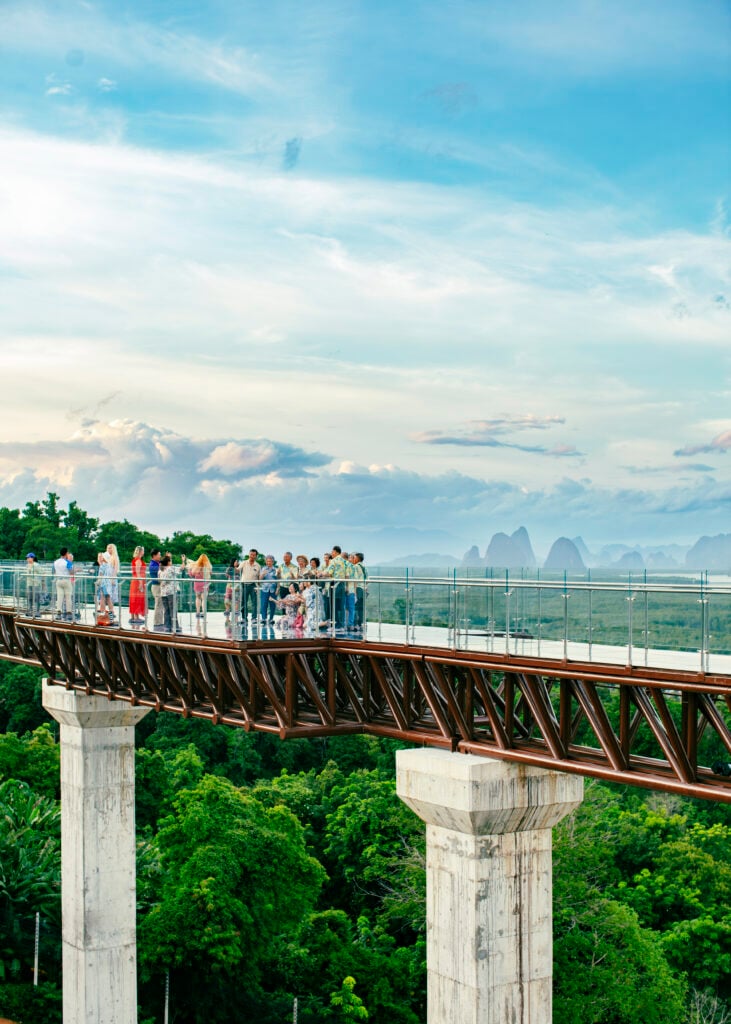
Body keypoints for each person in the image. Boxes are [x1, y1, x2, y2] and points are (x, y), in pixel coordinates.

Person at [323, 545, 351, 631]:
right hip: (342, 584)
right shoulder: (345, 562)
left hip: (334, 584)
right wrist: (347, 586)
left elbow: (329, 573)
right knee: (341, 605)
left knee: (334, 605)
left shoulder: (333, 561)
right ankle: (341, 625)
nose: (332, 553)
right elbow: (347, 575)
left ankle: (336, 625)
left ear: (336, 552)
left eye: (332, 552)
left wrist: (321, 574)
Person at [158, 554, 181, 633]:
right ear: (168, 562)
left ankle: (167, 626)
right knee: (173, 609)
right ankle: (175, 626)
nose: (171, 562)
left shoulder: (160, 570)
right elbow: (181, 569)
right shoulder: (171, 568)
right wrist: (183, 561)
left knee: (166, 610)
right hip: (171, 592)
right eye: (170, 560)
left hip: (163, 592)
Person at [186, 553, 212, 618]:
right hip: (205, 584)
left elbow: (191, 574)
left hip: (197, 583)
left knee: (197, 598)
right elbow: (210, 574)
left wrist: (189, 570)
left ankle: (197, 612)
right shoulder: (208, 566)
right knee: (204, 599)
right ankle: (203, 612)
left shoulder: (196, 566)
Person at [53, 546, 74, 620]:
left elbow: (53, 572)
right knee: (68, 597)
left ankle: (58, 612)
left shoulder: (56, 562)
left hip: (58, 580)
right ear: (66, 553)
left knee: (59, 597)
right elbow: (71, 572)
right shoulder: (67, 562)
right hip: (66, 580)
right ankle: (69, 613)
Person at [239, 549, 260, 621]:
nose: (252, 556)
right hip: (244, 585)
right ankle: (244, 618)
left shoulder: (258, 566)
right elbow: (237, 570)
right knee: (244, 602)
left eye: (254, 555)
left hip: (253, 585)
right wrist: (234, 566)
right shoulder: (244, 563)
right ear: (249, 555)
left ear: (256, 556)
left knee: (254, 602)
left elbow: (259, 578)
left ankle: (254, 618)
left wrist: (258, 587)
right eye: (251, 554)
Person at [349, 552, 367, 635]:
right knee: (361, 608)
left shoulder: (355, 566)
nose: (353, 559)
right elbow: (367, 578)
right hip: (363, 588)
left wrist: (355, 592)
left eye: (354, 558)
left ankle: (356, 624)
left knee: (356, 607)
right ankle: (361, 624)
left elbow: (355, 579)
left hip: (358, 588)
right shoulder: (364, 567)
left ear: (358, 559)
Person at [129, 546, 147, 624]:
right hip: (138, 581)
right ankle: (136, 617)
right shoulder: (138, 560)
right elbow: (138, 572)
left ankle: (133, 616)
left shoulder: (135, 560)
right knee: (137, 598)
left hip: (135, 580)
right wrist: (140, 583)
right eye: (143, 550)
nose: (143, 552)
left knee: (134, 598)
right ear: (140, 552)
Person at [258, 555, 278, 624]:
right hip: (264, 589)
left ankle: (271, 619)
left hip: (273, 589)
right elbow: (259, 580)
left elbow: (278, 580)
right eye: (267, 561)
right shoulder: (263, 569)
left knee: (272, 605)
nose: (268, 562)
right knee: (264, 604)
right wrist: (262, 575)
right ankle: (263, 618)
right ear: (266, 561)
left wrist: (278, 588)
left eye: (270, 561)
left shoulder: (275, 569)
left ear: (273, 562)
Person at [148, 549, 164, 630]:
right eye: (159, 554)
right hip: (156, 586)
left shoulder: (157, 563)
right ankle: (157, 623)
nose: (160, 556)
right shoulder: (153, 565)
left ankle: (160, 622)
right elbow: (162, 570)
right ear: (154, 555)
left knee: (160, 604)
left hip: (159, 586)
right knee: (158, 604)